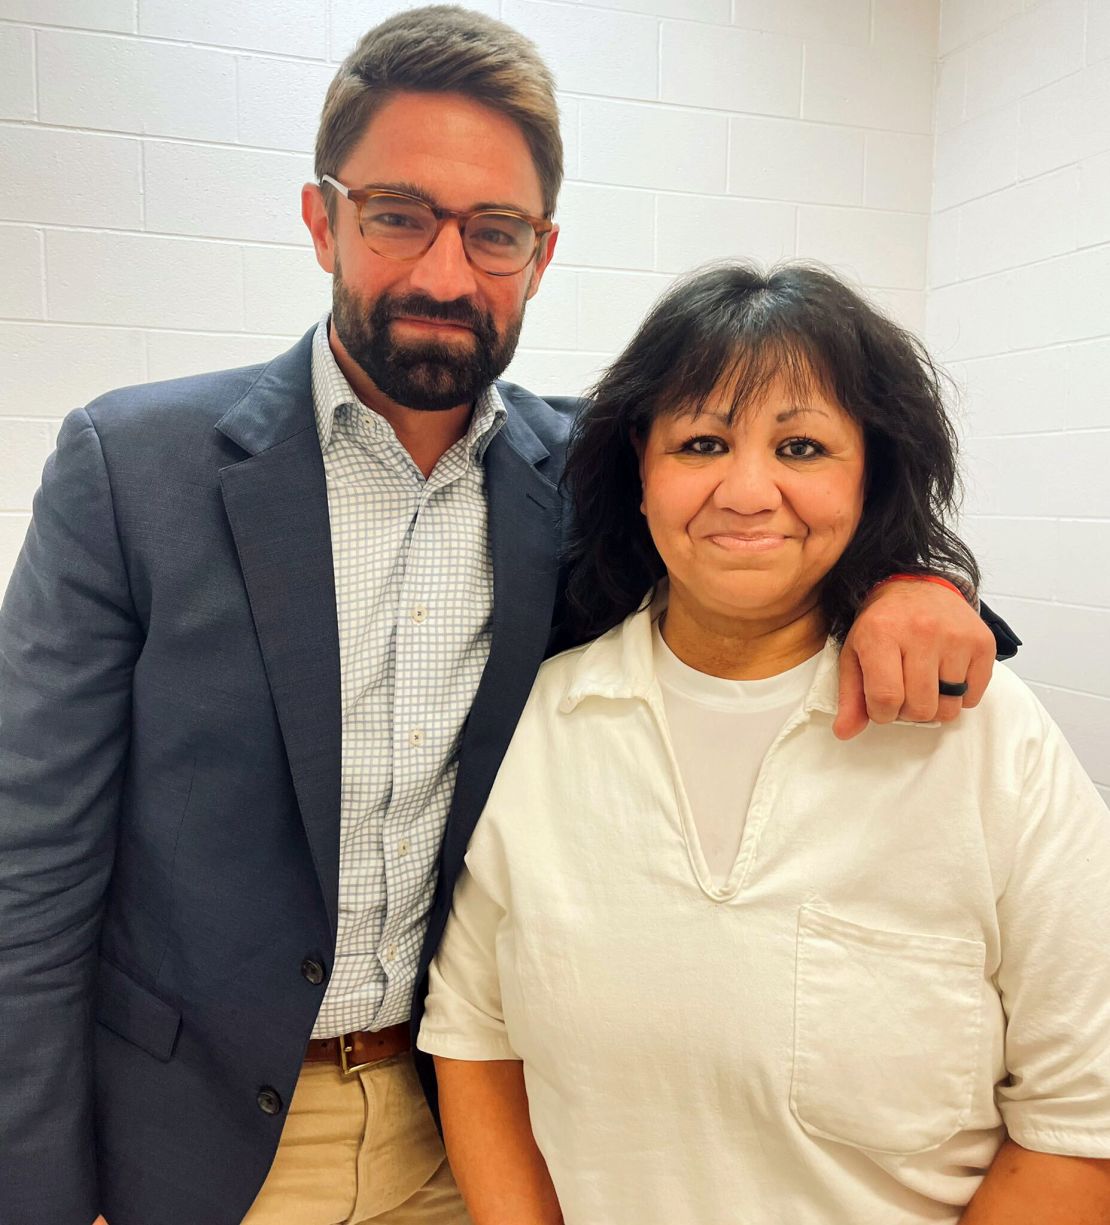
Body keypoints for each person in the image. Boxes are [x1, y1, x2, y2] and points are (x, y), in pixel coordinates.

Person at [0, 8, 1009, 1225]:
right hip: (190, 1137)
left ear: (541, 252)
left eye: (494, 232)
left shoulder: (588, 476)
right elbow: (29, 877)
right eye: (396, 216)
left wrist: (918, 583)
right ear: (323, 218)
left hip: (470, 1124)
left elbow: (763, 525)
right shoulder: (131, 466)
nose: (442, 274)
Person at [417, 264, 1110, 1225]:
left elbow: (1084, 1116)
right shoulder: (543, 722)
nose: (748, 491)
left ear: (872, 472)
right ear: (640, 467)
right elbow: (475, 1038)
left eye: (802, 445)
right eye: (702, 441)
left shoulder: (986, 740)